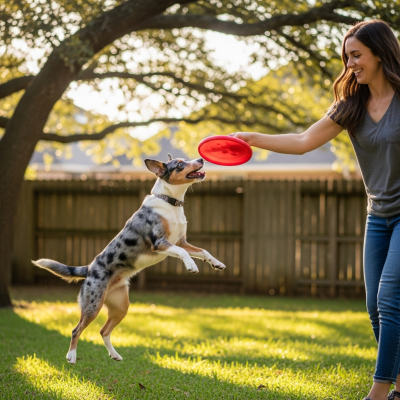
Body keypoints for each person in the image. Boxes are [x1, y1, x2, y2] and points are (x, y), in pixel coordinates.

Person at [229, 20, 400, 400]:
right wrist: (253, 139)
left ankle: (379, 391)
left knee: (390, 298)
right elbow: (305, 141)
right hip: (378, 216)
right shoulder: (351, 105)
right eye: (347, 56)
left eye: (356, 55)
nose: (350, 63)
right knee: (374, 306)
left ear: (379, 52)